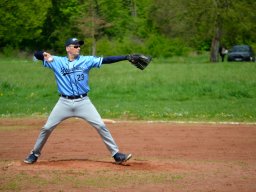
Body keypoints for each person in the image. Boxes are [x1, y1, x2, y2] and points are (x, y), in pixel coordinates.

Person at [24, 37, 132, 164]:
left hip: (83, 102)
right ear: (68, 48)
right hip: (63, 103)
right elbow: (36, 55)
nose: (78, 48)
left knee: (101, 125)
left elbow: (106, 60)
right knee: (47, 128)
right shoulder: (56, 61)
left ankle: (116, 154)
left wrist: (126, 57)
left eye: (79, 46)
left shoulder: (86, 60)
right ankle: (34, 154)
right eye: (75, 46)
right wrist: (43, 54)